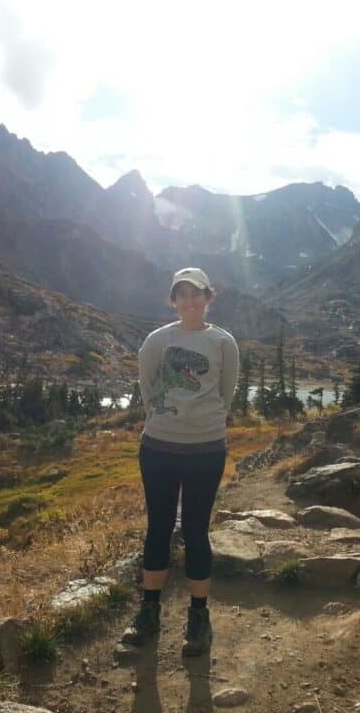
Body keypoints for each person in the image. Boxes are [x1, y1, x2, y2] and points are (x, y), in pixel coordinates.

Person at [120, 267, 240, 656]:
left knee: (196, 530)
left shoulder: (224, 342)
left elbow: (227, 393)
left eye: (197, 293)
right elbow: (147, 387)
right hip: (159, 447)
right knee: (157, 527)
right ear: (173, 300)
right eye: (182, 294)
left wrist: (203, 421)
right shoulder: (157, 341)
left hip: (206, 449)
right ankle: (149, 611)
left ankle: (198, 617)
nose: (190, 301)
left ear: (209, 297)